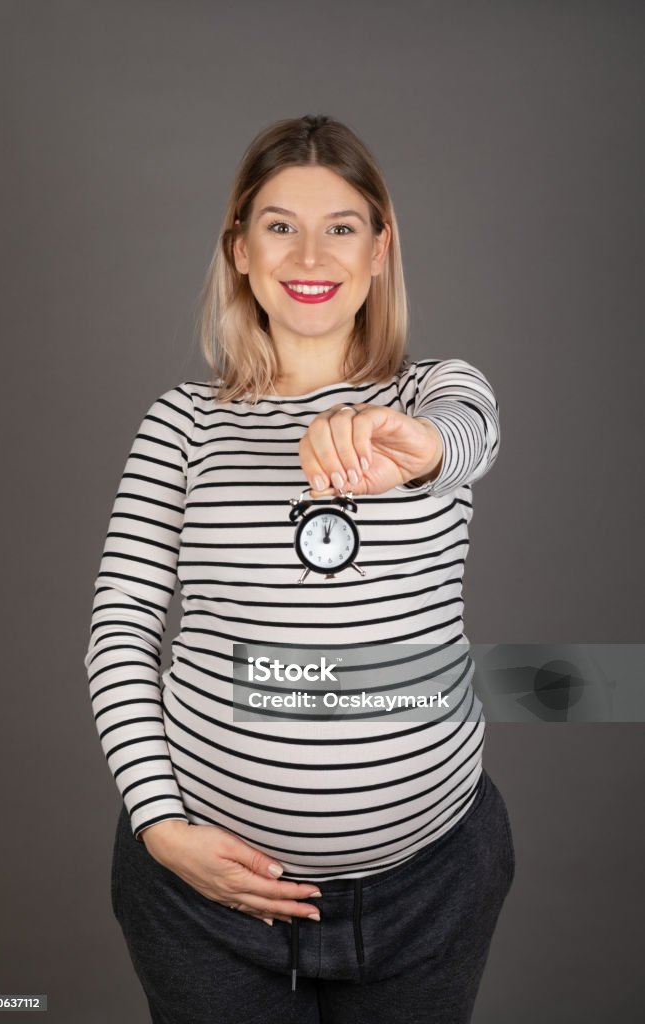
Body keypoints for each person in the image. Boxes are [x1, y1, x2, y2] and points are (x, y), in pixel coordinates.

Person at [84, 113, 515, 1024]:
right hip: (206, 904)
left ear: (381, 248)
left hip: (428, 890)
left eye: (343, 226)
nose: (309, 252)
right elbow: (120, 630)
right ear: (239, 249)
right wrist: (161, 827)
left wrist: (414, 446)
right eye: (279, 225)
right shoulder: (182, 424)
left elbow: (469, 436)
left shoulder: (431, 394)